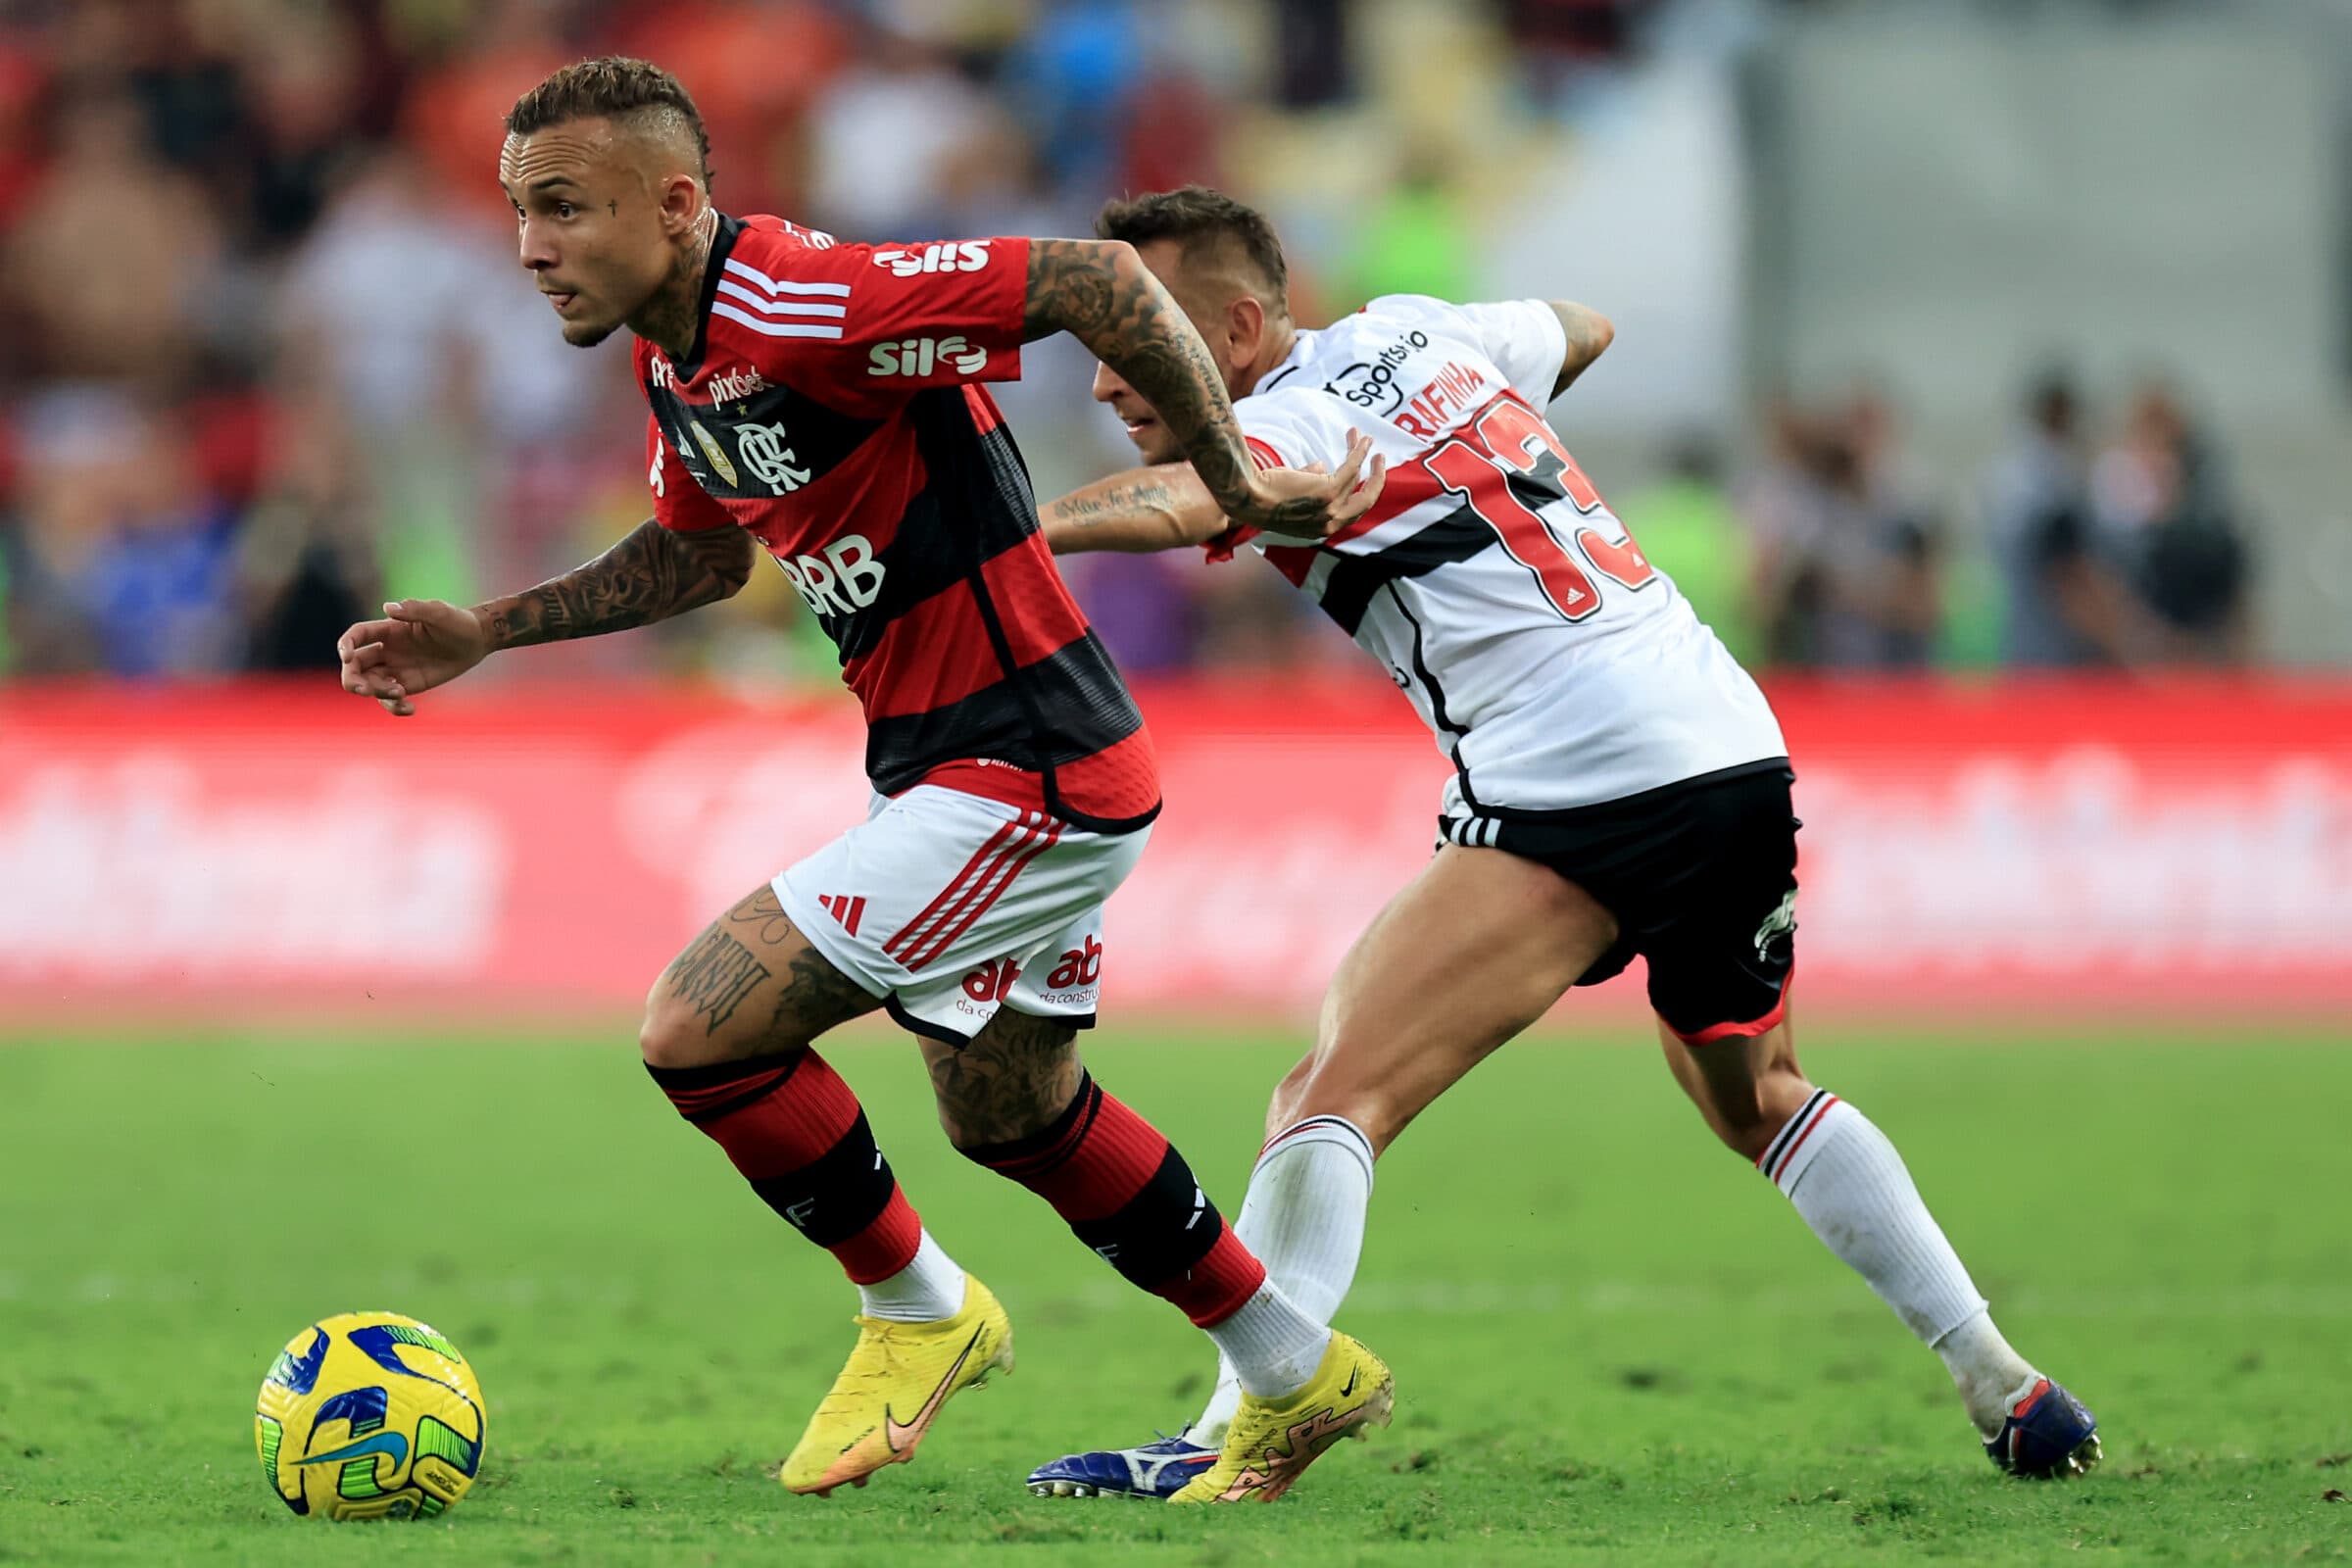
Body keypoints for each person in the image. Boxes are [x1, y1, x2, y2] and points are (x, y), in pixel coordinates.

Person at [333, 62, 1396, 1504]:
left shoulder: (801, 306)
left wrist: (1237, 475)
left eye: (566, 208)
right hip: (971, 768)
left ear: (679, 201)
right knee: (1009, 1111)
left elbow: (1090, 278)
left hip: (1026, 765)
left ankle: (919, 1309)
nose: (531, 245)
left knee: (698, 1029)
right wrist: (490, 629)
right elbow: (701, 555)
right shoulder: (679, 352)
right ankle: (1293, 1366)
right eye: (521, 211)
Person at [1020, 185, 2099, 1498]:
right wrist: (1469, 415)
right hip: (1729, 743)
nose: (1107, 379)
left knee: (1329, 1093)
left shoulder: (1275, 422)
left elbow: (1186, 503)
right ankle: (2008, 1386)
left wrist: (1015, 528)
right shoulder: (1418, 332)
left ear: (1239, 327)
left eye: (1137, 339)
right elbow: (1579, 327)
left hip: (1575, 777)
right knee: (1753, 1091)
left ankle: (1240, 1427)